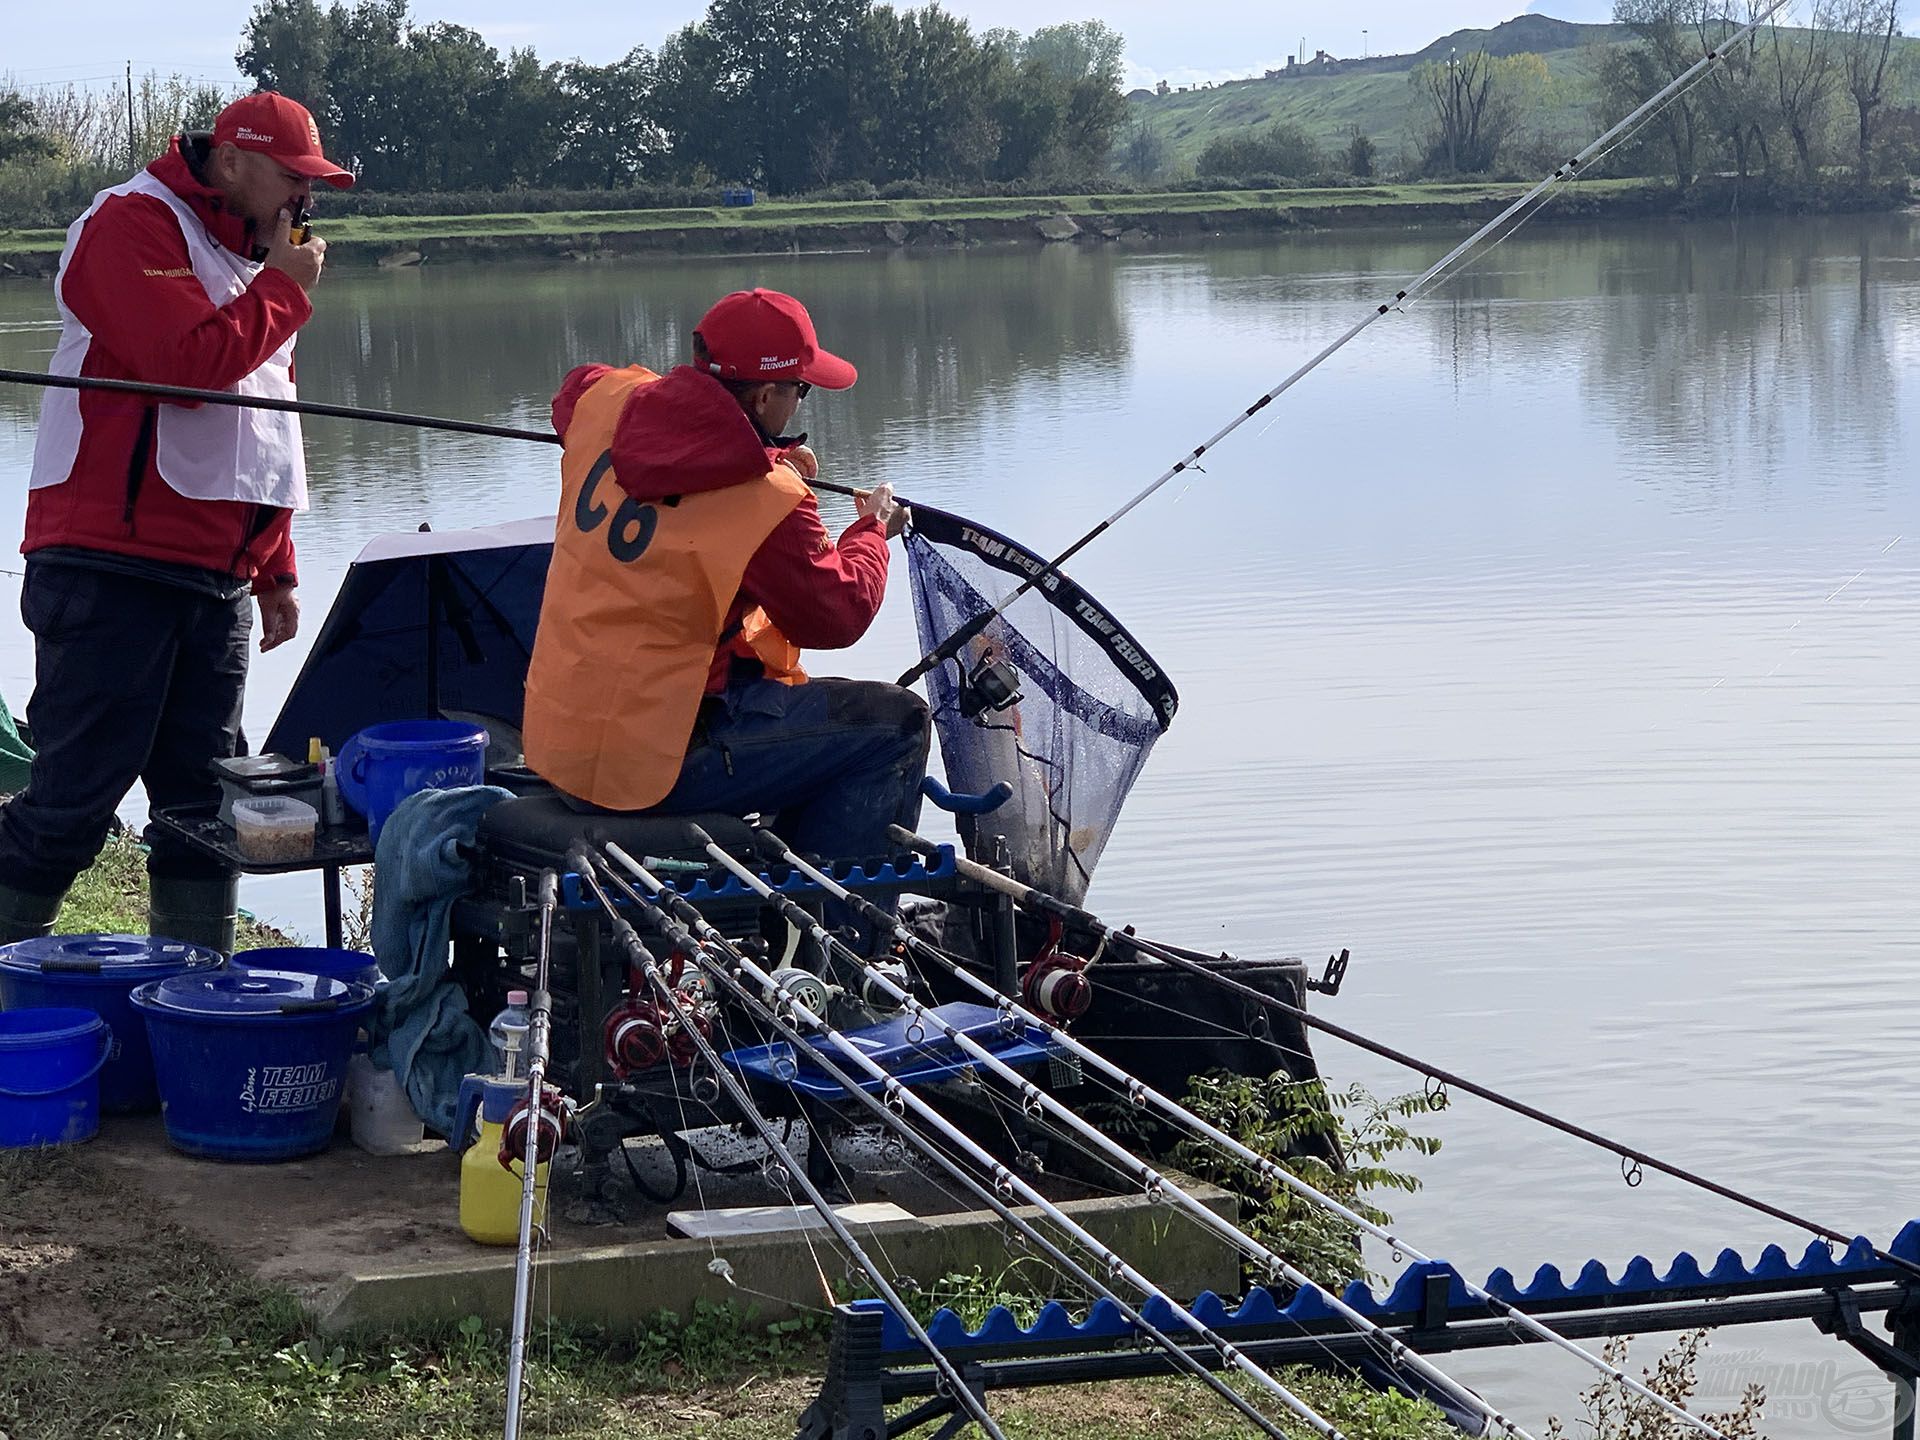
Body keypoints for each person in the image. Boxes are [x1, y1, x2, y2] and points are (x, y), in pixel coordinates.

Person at [0, 92, 350, 950]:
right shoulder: (131, 223)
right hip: (110, 565)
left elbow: (261, 424)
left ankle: (194, 1007)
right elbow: (183, 368)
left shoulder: (256, 263)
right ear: (230, 160)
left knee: (205, 812)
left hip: (217, 578)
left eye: (315, 183)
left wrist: (275, 568)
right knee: (73, 801)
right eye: (291, 178)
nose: (306, 200)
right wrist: (284, 291)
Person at [522, 287, 929, 870]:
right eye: (799, 390)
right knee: (897, 724)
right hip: (654, 765)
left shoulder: (606, 403)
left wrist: (756, 450)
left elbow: (573, 391)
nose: (798, 404)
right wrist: (868, 531)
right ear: (765, 394)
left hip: (560, 742)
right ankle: (832, 939)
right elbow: (840, 613)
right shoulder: (768, 502)